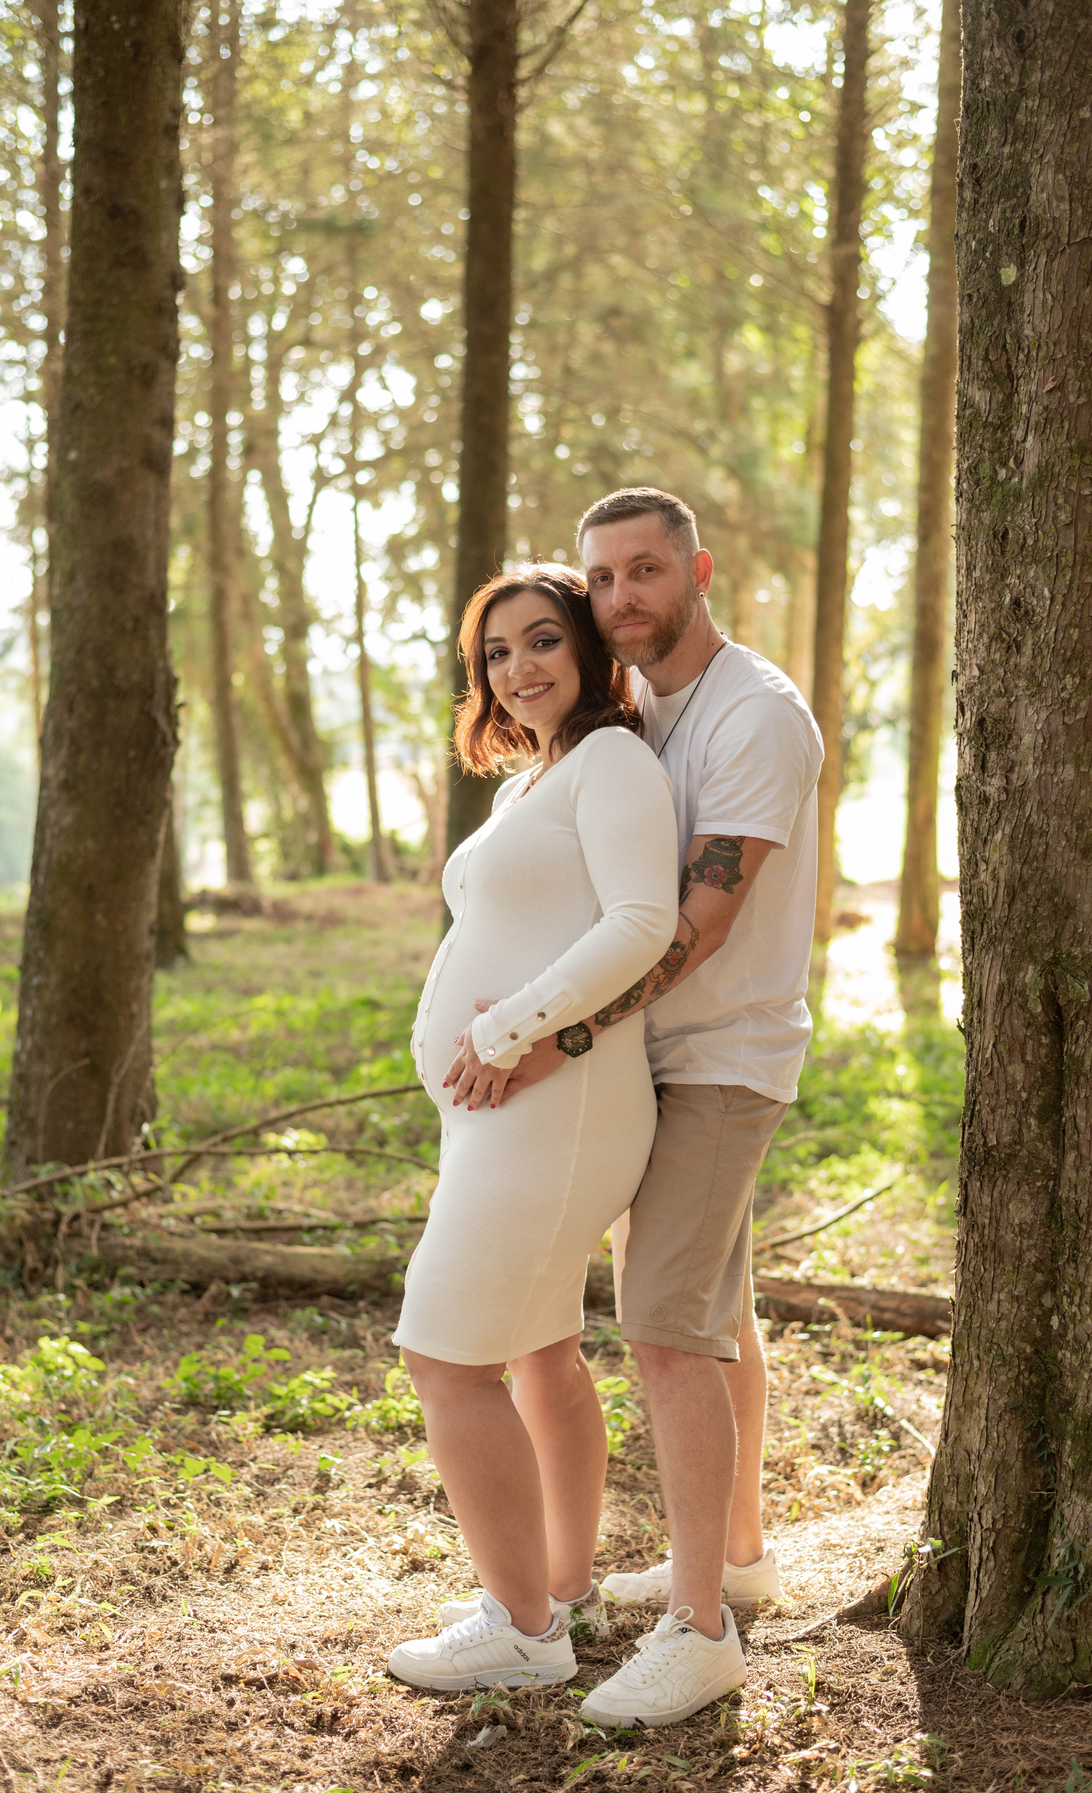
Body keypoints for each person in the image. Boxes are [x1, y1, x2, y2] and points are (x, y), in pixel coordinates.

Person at [456, 488, 824, 1728]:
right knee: (716, 1311)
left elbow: (696, 921)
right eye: (603, 579)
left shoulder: (753, 717)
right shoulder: (639, 711)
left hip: (718, 1054)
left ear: (698, 570)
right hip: (645, 1062)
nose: (623, 599)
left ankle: (700, 1632)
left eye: (646, 572)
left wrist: (557, 1035)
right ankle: (738, 1555)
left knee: (665, 1328)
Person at [386, 563, 681, 1693]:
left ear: (591, 649)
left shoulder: (611, 760)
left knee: (442, 1354)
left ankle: (520, 1629)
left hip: (555, 1108)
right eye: (497, 652)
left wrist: (507, 1031)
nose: (520, 666)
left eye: (542, 638)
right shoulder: (534, 780)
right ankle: (559, 1584)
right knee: (540, 1349)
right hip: (503, 1119)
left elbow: (644, 921)